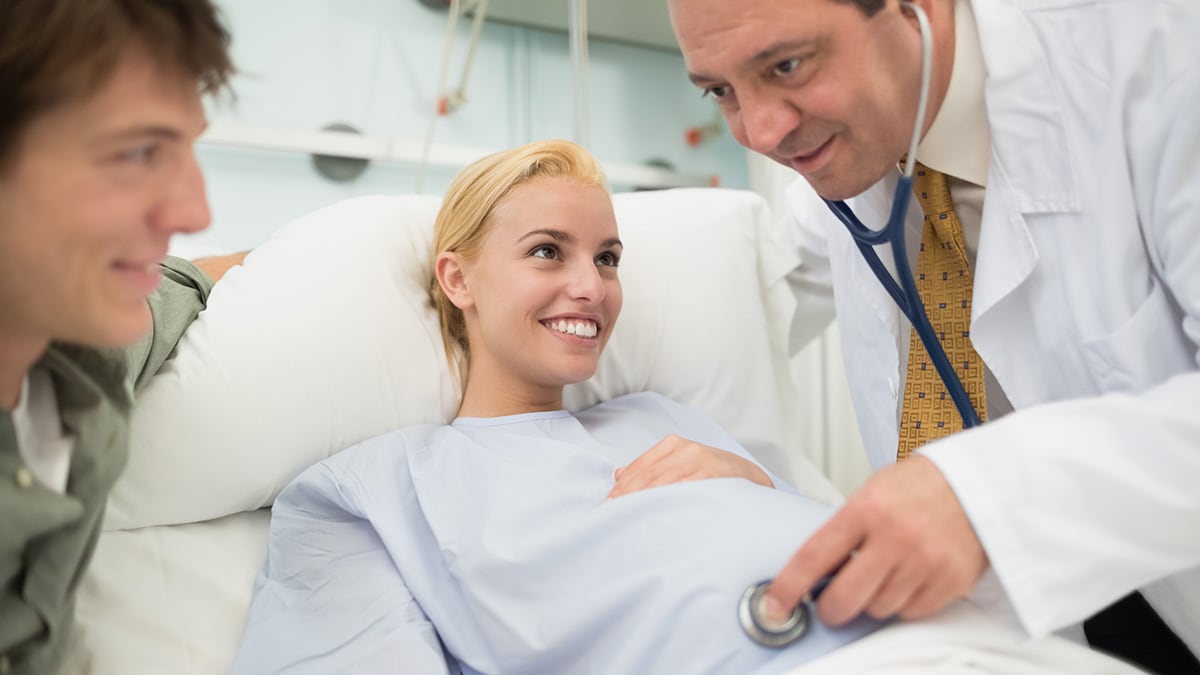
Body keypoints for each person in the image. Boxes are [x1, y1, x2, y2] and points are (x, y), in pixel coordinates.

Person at [667, 0, 1200, 671]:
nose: (763, 132)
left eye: (787, 65)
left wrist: (989, 492)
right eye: (720, 91)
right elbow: (741, 289)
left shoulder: (1162, 56)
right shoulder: (855, 154)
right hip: (1045, 624)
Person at [231, 139, 894, 674]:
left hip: (923, 625)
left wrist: (753, 478)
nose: (590, 287)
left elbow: (833, 537)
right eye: (547, 251)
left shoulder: (669, 417)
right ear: (458, 279)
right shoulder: (367, 493)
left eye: (607, 259)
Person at [0, 2, 244, 672]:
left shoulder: (83, 365)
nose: (196, 210)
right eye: (139, 152)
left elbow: (177, 282)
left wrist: (258, 258)